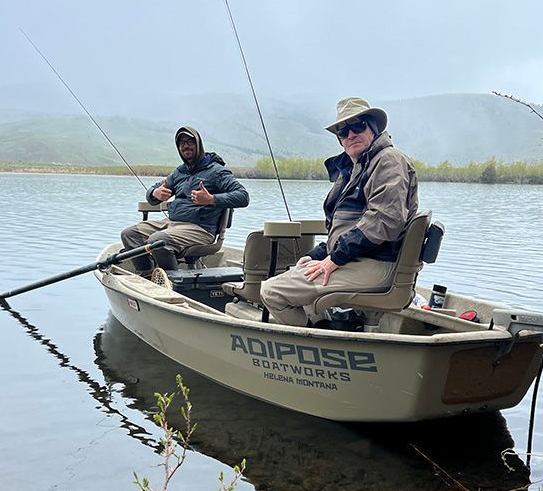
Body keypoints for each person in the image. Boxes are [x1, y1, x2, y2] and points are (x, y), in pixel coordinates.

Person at [260, 97, 419, 326]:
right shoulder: (357, 167)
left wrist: (335, 258)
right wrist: (318, 255)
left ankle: (315, 339)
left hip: (378, 263)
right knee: (301, 275)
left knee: (271, 291)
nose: (350, 134)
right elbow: (347, 228)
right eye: (343, 132)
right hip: (359, 259)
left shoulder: (388, 160)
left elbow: (384, 221)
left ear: (373, 128)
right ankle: (325, 331)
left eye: (357, 126)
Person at [121, 126, 249, 274]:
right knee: (129, 234)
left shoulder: (216, 171)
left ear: (198, 144)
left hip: (201, 229)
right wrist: (155, 193)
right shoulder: (180, 172)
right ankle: (146, 273)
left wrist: (211, 199)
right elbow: (154, 192)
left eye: (190, 142)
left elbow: (243, 196)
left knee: (157, 241)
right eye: (181, 143)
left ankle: (170, 280)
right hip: (173, 223)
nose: (185, 146)